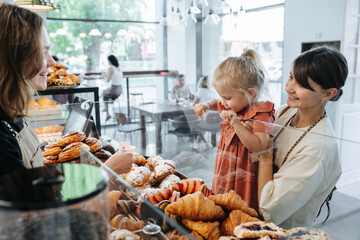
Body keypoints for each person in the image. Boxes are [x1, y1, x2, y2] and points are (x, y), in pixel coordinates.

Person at [0, 4, 132, 178]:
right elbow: (36, 204)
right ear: (16, 57)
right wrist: (107, 171)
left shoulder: (13, 116)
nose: (52, 62)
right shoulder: (2, 138)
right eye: (43, 51)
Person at [257, 46, 348, 229]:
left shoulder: (318, 149)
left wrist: (265, 155)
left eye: (301, 84)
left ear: (328, 93)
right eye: (291, 77)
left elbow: (268, 208)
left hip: (282, 231)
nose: (288, 88)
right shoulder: (286, 111)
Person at [194, 49, 275, 210]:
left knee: (240, 206)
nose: (222, 102)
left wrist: (236, 124)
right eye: (221, 96)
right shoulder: (231, 103)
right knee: (222, 201)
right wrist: (205, 105)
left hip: (244, 171)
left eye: (227, 98)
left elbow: (260, 147)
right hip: (226, 165)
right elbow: (216, 101)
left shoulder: (261, 113)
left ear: (250, 93)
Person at [103, 55, 124, 121]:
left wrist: (103, 77)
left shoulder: (110, 68)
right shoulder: (119, 68)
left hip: (114, 90)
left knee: (103, 93)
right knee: (105, 93)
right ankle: (108, 104)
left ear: (110, 61)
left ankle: (107, 112)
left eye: (108, 60)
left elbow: (108, 80)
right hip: (120, 90)